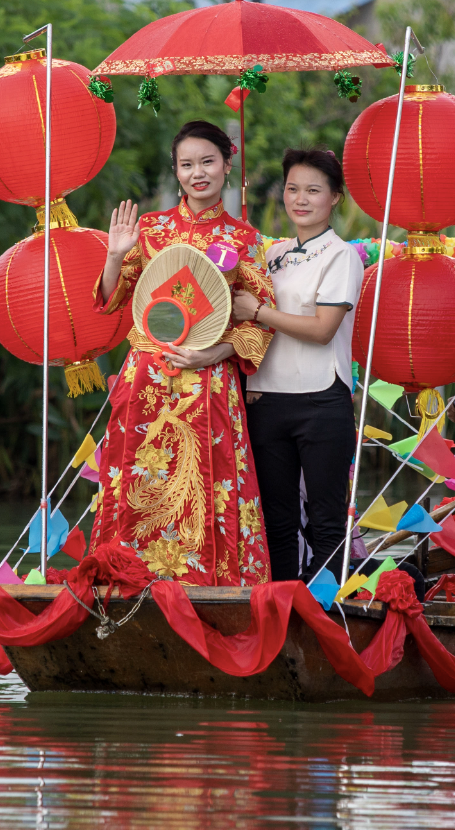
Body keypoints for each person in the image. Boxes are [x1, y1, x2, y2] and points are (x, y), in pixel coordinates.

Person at [93, 120, 277, 584]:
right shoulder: (149, 229)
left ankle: (210, 586)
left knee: (207, 482)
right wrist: (115, 255)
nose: (198, 173)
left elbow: (261, 320)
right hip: (147, 377)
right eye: (187, 164)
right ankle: (128, 577)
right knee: (139, 476)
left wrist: (213, 355)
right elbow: (110, 301)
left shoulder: (246, 239)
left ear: (227, 164)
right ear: (176, 171)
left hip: (208, 379)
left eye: (208, 162)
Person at [233, 148, 365, 584]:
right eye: (292, 189)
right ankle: (281, 606)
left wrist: (258, 312)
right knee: (276, 521)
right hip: (266, 400)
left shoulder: (341, 256)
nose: (300, 199)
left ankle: (325, 612)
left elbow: (323, 329)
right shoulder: (270, 254)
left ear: (335, 198)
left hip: (320, 400)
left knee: (326, 520)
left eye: (313, 190)